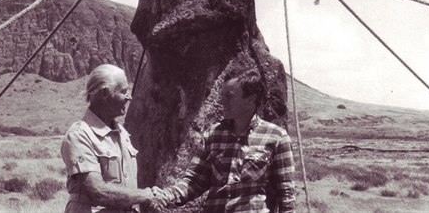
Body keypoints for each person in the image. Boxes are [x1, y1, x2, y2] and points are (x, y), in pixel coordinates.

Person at [155, 68, 297, 212]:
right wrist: (165, 196)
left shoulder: (277, 136)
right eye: (222, 95)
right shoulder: (212, 134)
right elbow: (193, 182)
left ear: (251, 98)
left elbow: (286, 195)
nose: (222, 101)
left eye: (229, 96)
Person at [61, 64, 163, 212]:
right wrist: (144, 195)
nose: (129, 97)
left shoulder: (122, 132)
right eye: (123, 92)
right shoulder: (79, 135)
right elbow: (98, 191)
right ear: (104, 93)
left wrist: (151, 194)